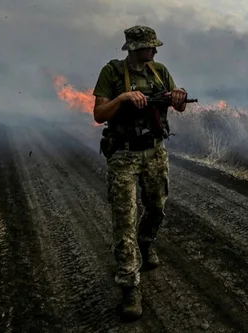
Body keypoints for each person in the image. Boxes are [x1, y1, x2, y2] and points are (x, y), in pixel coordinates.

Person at [91, 25, 188, 320]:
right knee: (124, 222)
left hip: (155, 152)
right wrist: (123, 99)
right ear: (134, 48)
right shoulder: (112, 73)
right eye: (150, 47)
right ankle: (130, 287)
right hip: (124, 155)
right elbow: (99, 114)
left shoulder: (159, 71)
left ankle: (147, 242)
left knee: (157, 208)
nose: (155, 51)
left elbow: (178, 106)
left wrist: (178, 98)